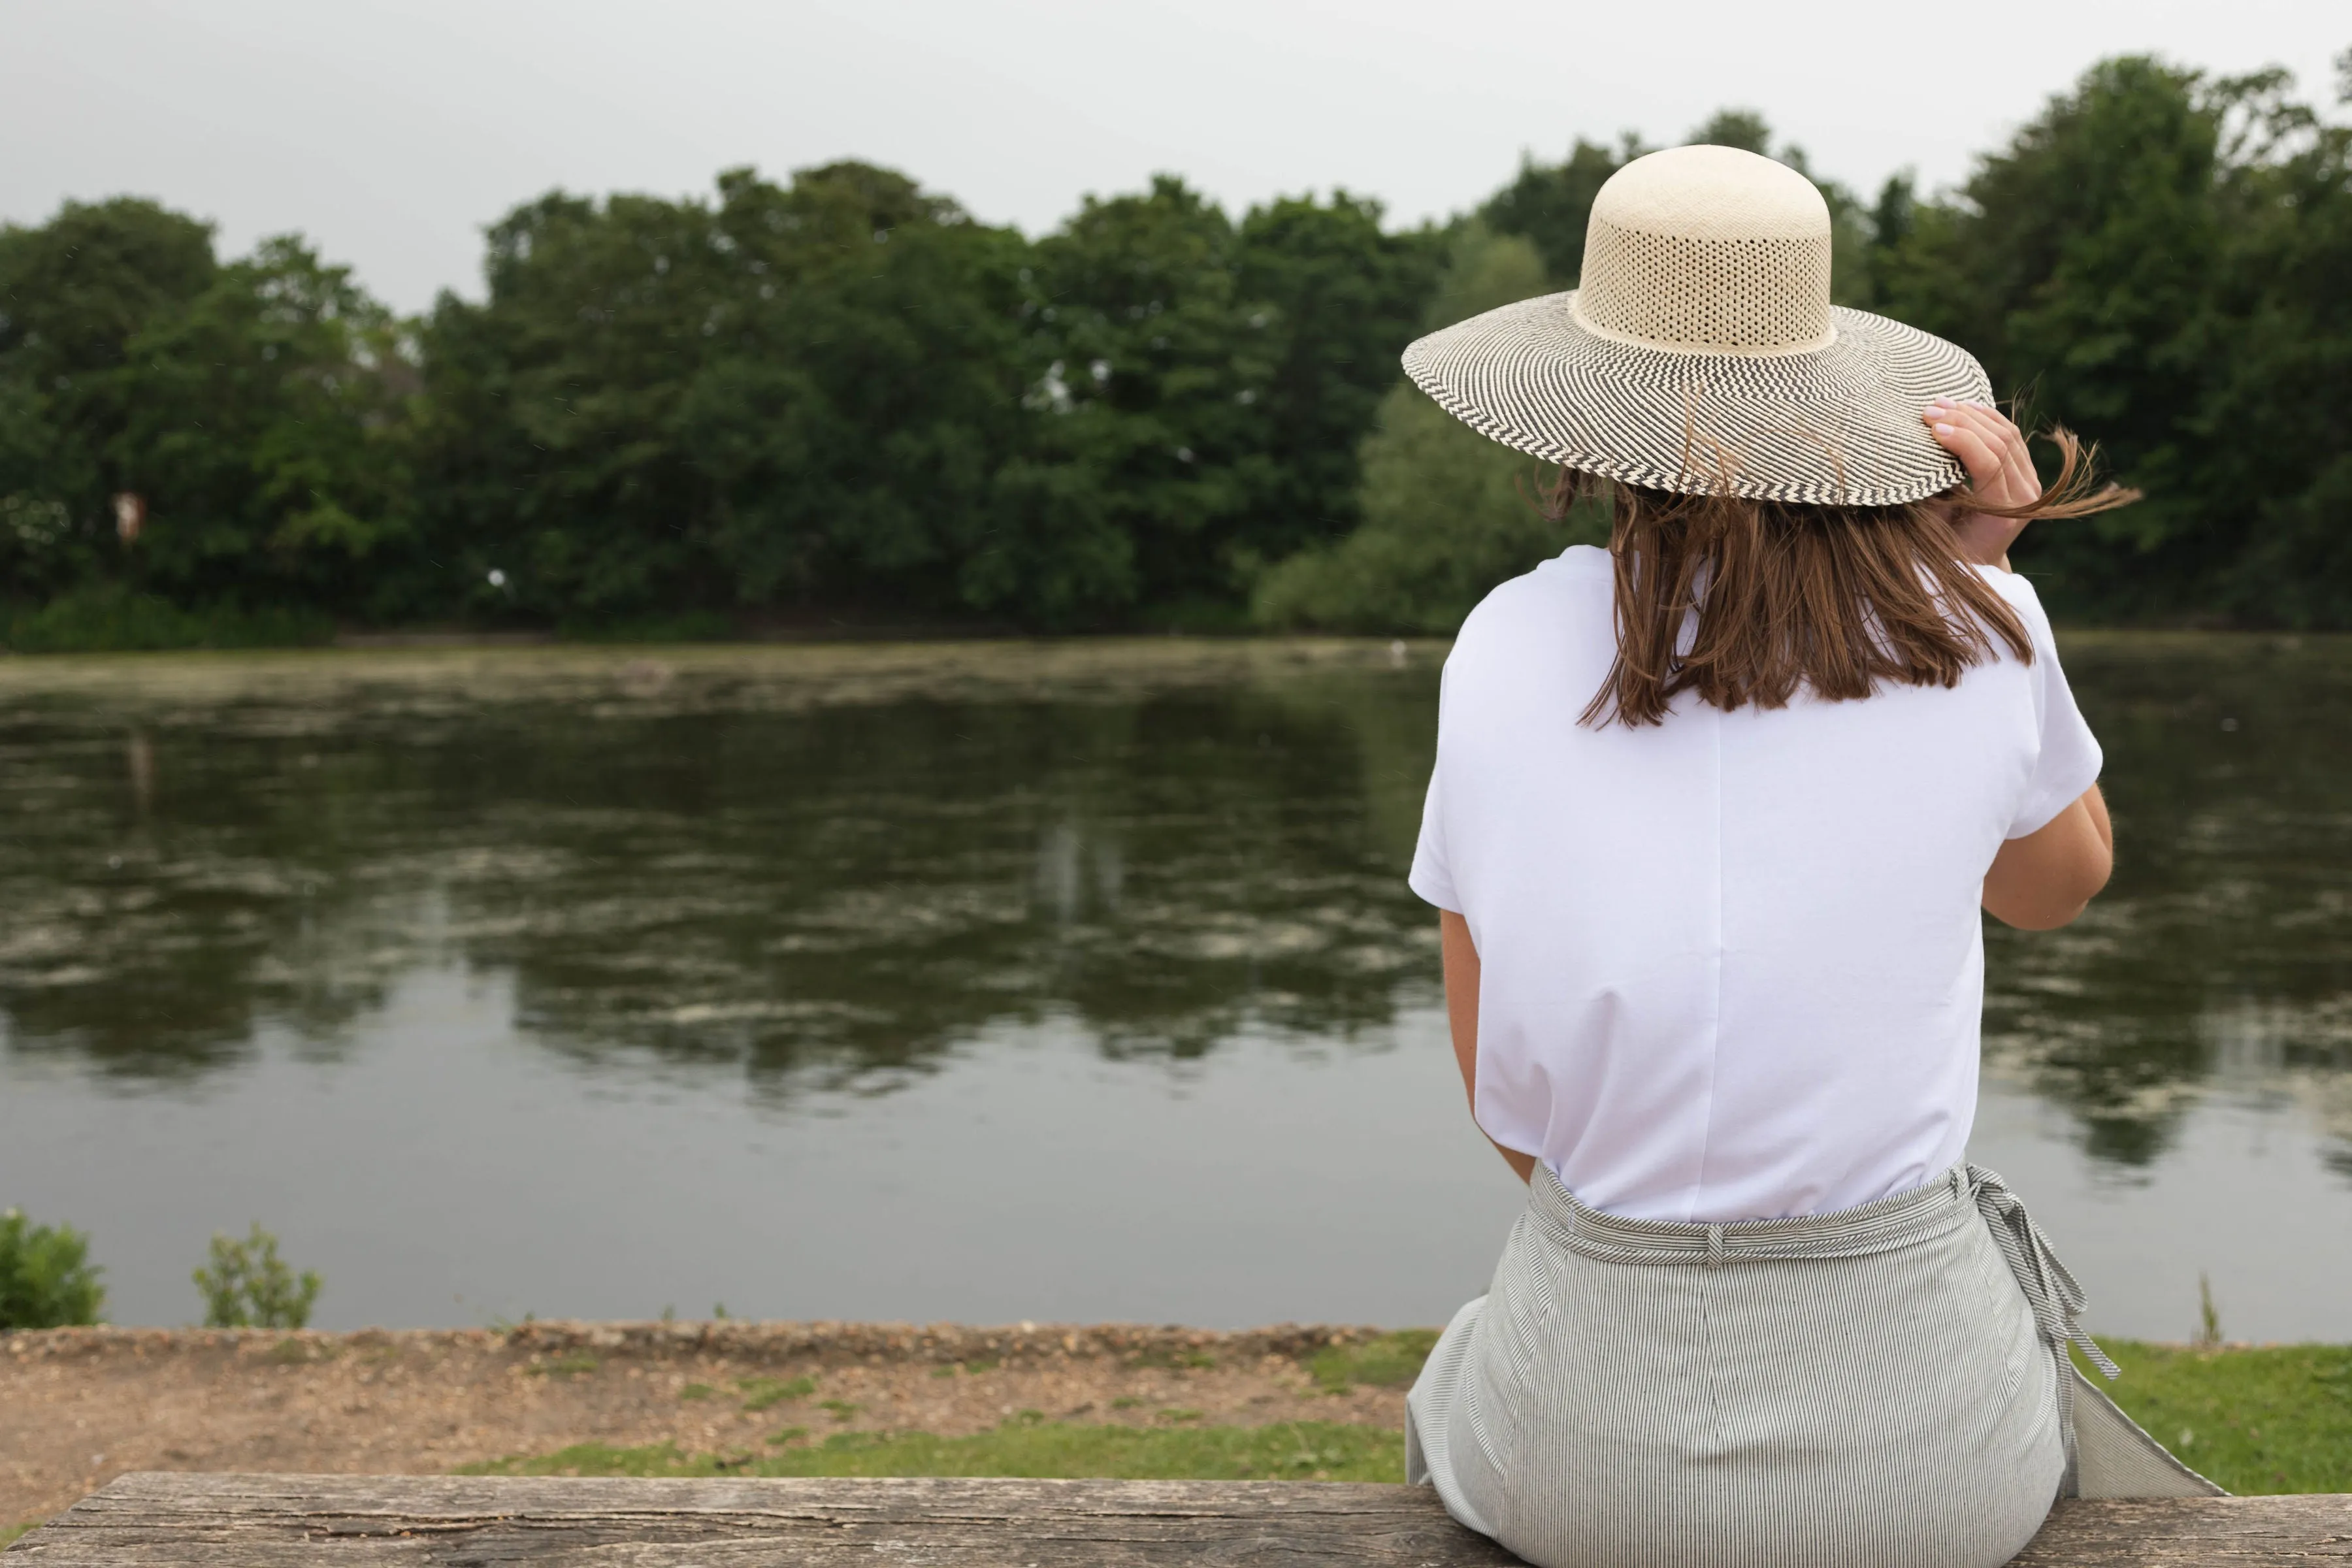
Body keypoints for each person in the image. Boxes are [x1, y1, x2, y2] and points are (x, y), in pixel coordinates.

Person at [1397, 145, 2220, 1568]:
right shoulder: (1976, 630)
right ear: (1822, 386)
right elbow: (2057, 889)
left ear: (1582, 415)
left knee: (1462, 1372)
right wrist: (1991, 574)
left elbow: (1509, 1108)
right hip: (1920, 1464)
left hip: (1578, 1457)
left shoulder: (1499, 646)